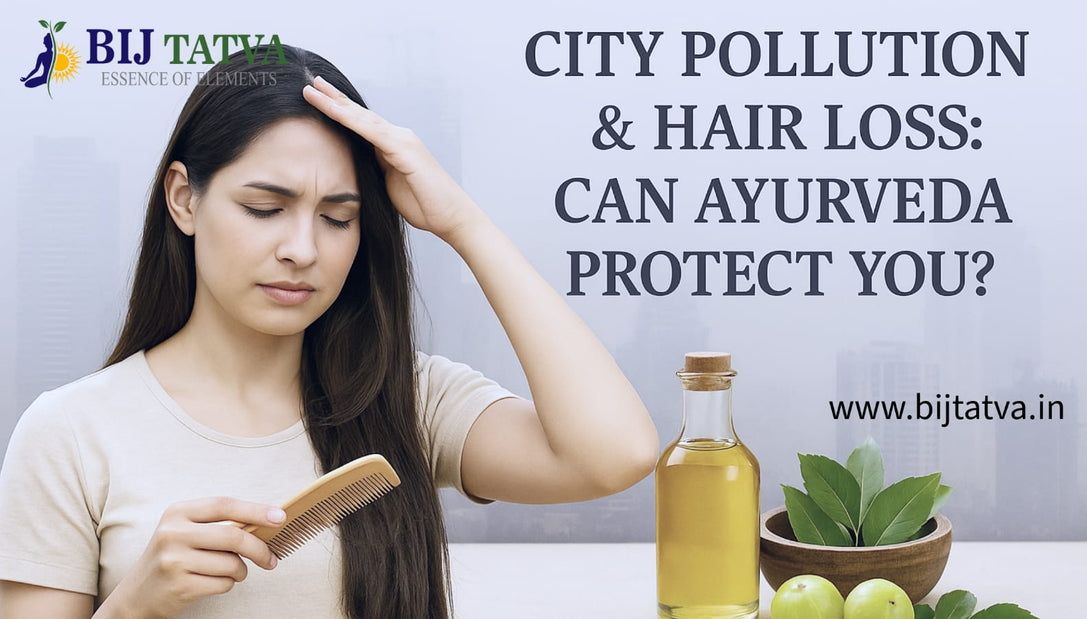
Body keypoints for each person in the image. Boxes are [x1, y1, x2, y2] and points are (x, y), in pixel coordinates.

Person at [0, 45, 658, 618]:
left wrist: (460, 220)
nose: (302, 248)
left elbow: (616, 453)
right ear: (184, 198)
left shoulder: (407, 398)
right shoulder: (69, 435)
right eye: (266, 208)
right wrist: (137, 604)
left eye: (338, 217)